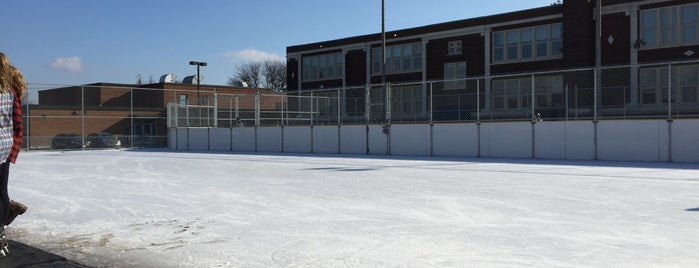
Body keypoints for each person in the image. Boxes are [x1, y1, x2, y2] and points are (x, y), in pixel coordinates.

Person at [0, 52, 27, 256]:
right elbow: (17, 123)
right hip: (4, 148)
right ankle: (1, 232)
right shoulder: (10, 92)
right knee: (1, 191)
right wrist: (12, 151)